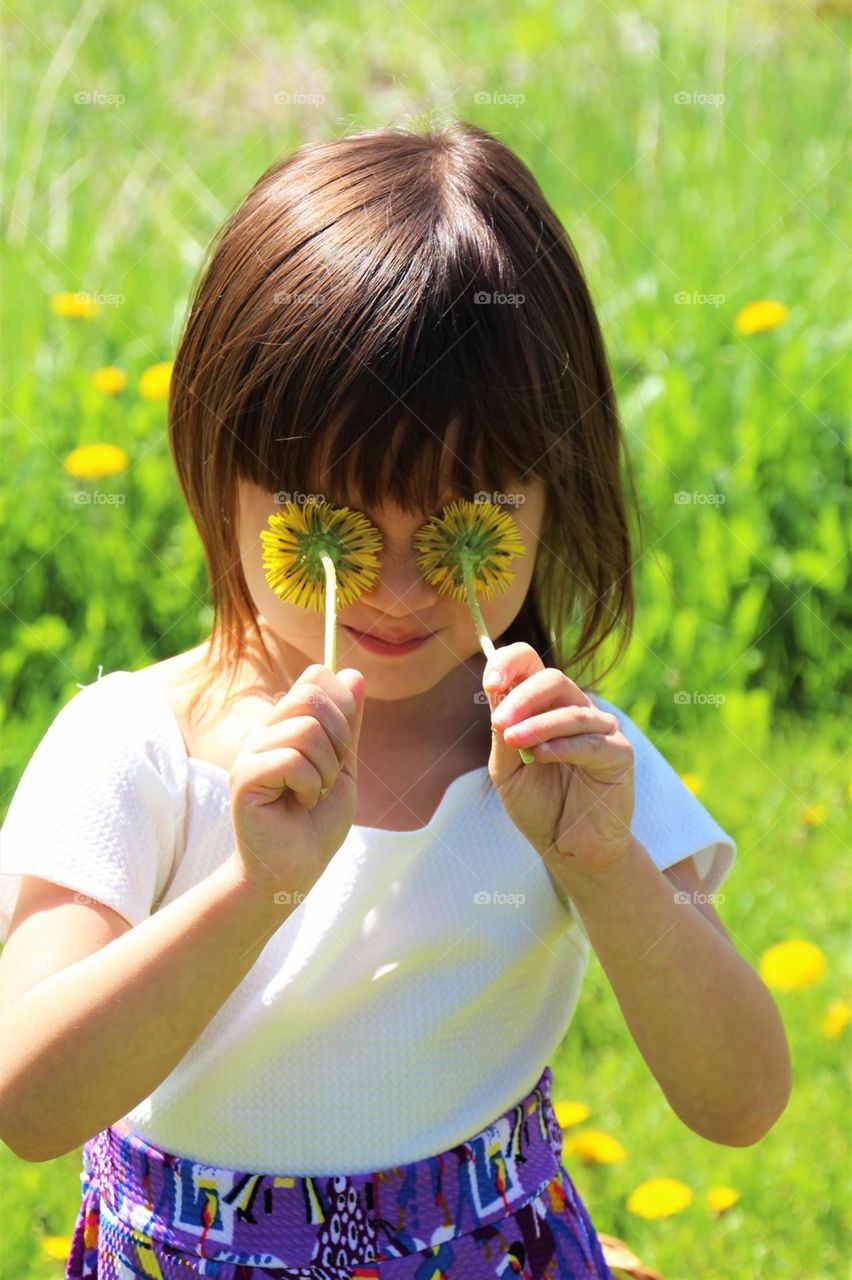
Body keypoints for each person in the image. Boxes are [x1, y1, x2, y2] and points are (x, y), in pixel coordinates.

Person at [0, 121, 790, 1279]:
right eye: (335, 525)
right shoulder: (139, 749)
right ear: (220, 464)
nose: (403, 586)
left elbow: (741, 1098)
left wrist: (611, 869)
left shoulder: (562, 763)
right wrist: (252, 886)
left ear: (548, 491)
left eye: (466, 522)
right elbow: (28, 1099)